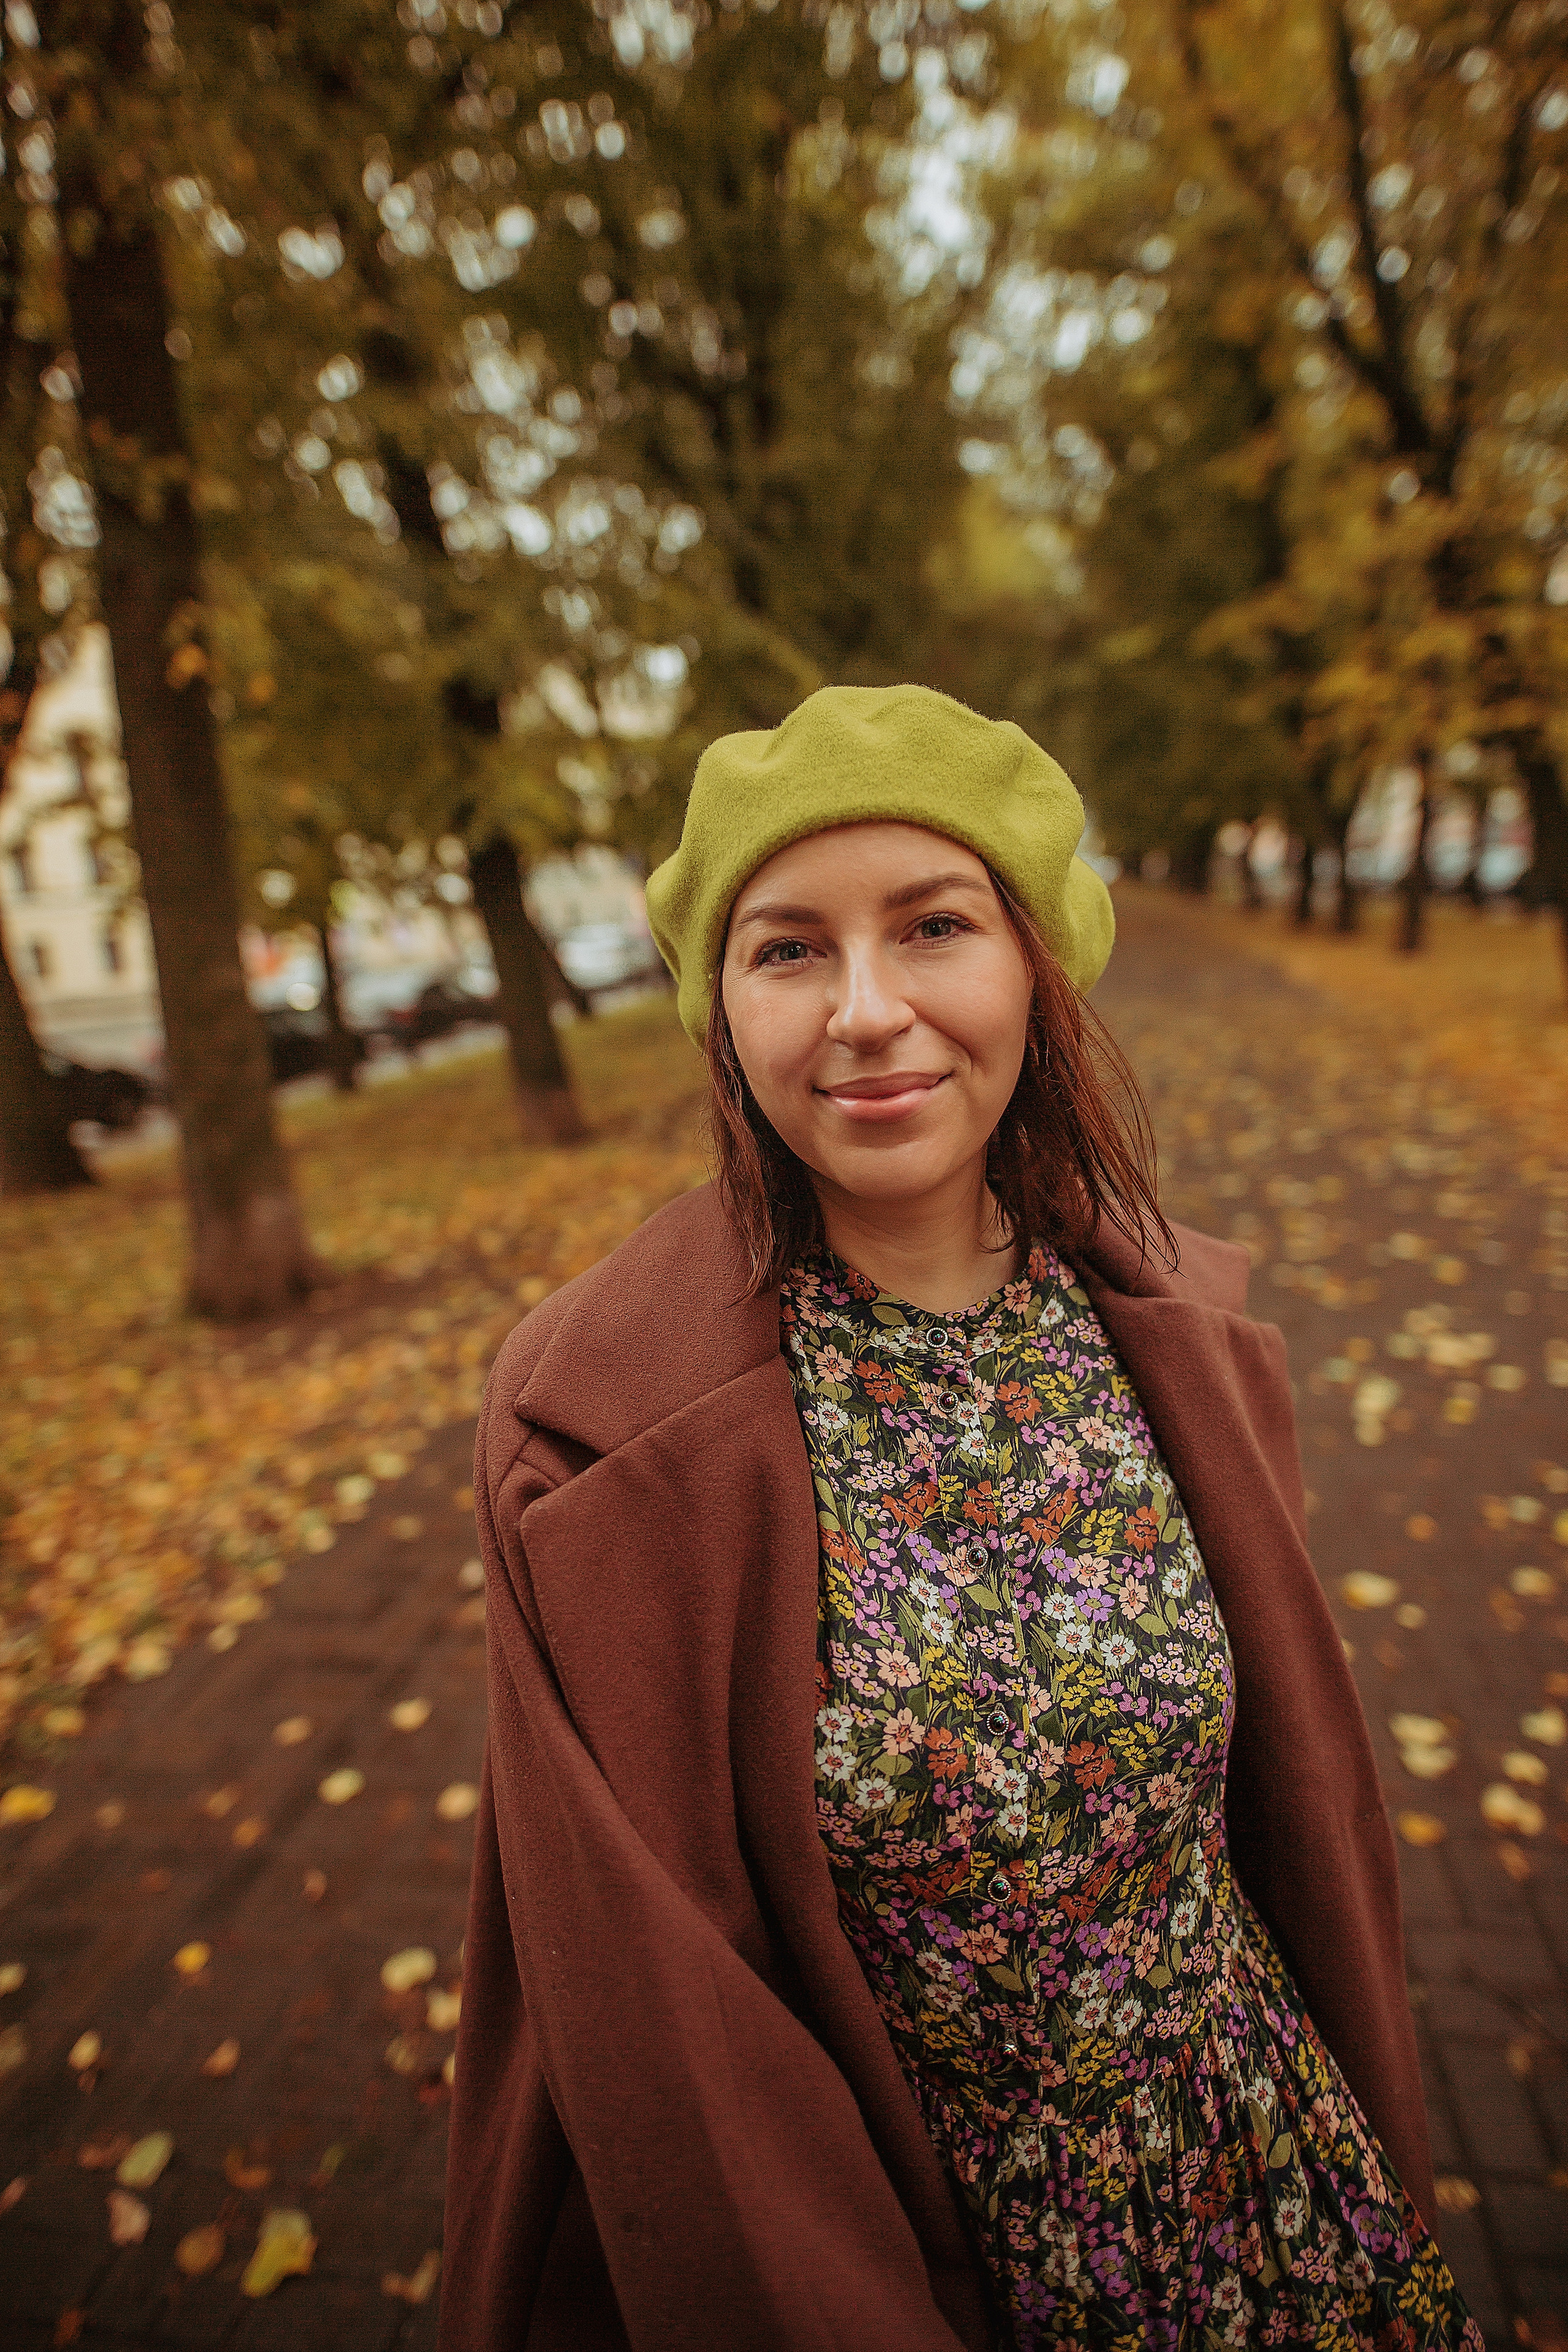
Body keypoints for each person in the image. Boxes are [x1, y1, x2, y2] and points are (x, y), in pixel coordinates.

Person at [440, 685, 1480, 2352]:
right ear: (719, 1012)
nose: (868, 1010)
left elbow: (1293, 1833)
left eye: (934, 926)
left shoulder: (1186, 1344)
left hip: (1261, 2180)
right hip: (905, 2250)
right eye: (788, 950)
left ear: (1034, 972)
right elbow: (669, 2044)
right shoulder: (591, 1446)